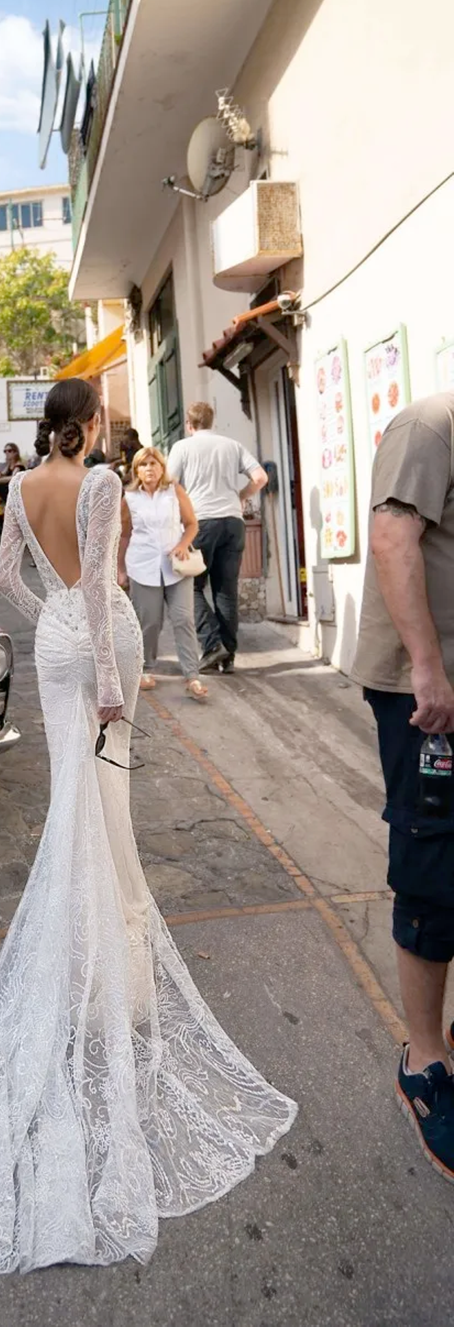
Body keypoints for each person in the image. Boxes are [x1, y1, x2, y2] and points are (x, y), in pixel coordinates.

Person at [0, 377, 296, 1271]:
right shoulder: (99, 483)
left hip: (54, 646)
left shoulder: (17, 487)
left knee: (68, 806)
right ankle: (110, 977)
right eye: (104, 422)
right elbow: (99, 586)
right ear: (89, 426)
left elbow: (9, 574)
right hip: (102, 644)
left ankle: (88, 964)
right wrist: (111, 677)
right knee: (109, 804)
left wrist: (48, 626)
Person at [350, 392, 454, 1179]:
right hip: (427, 695)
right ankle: (424, 1064)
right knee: (432, 873)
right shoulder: (428, 425)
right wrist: (426, 669)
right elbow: (391, 539)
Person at [167, 402, 268, 674]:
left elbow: (170, 485)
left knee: (190, 585)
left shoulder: (182, 448)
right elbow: (260, 477)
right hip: (233, 521)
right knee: (226, 590)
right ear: (212, 422)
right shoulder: (231, 446)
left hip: (200, 522)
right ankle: (228, 656)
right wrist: (241, 496)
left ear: (189, 425)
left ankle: (212, 645)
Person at [120, 445, 207, 700]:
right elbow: (123, 535)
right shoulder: (129, 498)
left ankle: (192, 675)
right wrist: (120, 569)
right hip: (142, 566)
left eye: (154, 464)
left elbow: (192, 524)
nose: (150, 469)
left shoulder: (174, 491)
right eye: (144, 465)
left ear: (162, 467)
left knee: (183, 619)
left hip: (176, 566)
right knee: (150, 621)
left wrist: (182, 544)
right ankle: (146, 669)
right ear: (137, 469)